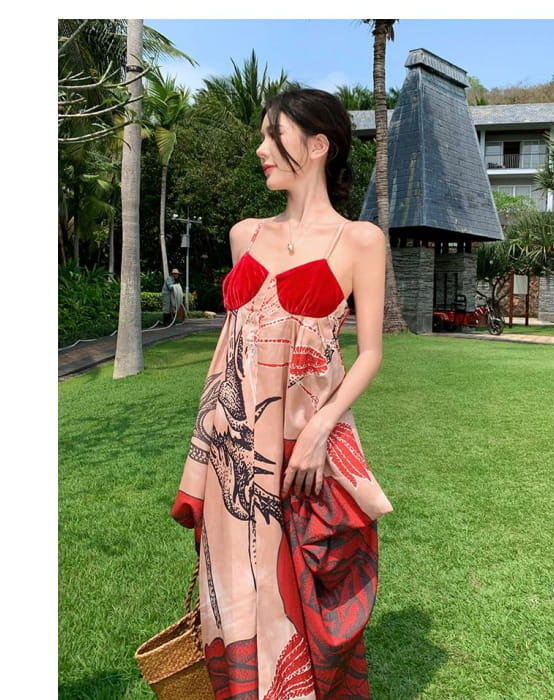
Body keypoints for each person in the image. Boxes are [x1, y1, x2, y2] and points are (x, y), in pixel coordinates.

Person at [171, 88, 393, 699]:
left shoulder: (360, 240)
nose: (261, 149)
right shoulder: (245, 234)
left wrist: (321, 429)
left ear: (318, 145)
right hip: (236, 450)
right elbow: (232, 348)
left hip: (302, 447)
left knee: (297, 595)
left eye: (274, 135)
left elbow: (371, 353)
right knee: (240, 592)